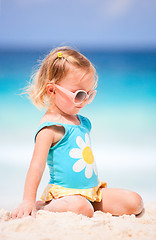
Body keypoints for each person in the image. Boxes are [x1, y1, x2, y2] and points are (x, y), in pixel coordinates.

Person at [12, 47, 143, 219]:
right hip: (65, 196)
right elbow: (36, 166)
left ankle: (88, 206)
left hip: (93, 192)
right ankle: (45, 207)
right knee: (81, 207)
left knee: (135, 202)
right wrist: (28, 200)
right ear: (52, 90)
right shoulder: (50, 128)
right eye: (79, 95)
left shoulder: (83, 122)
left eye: (89, 95)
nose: (84, 102)